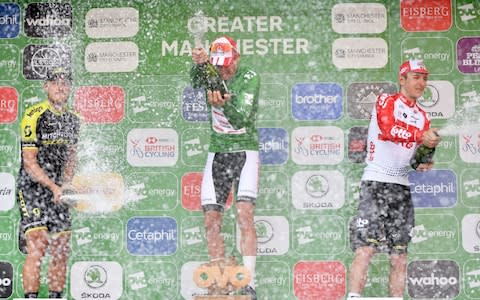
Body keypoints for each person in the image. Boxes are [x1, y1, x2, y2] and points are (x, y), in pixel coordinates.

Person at [347, 60, 441, 298]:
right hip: (376, 184)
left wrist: (425, 157)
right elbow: (389, 130)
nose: (421, 82)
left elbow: (416, 161)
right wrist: (421, 136)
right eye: (415, 77)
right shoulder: (385, 101)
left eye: (424, 78)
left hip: (402, 188)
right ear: (402, 79)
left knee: (400, 255)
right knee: (366, 249)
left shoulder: (423, 116)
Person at [190, 36, 260, 299]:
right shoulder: (212, 71)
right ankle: (219, 280)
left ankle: (248, 283)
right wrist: (198, 64)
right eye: (219, 67)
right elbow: (196, 79)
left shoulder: (250, 76)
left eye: (228, 65)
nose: (224, 71)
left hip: (245, 150)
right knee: (211, 220)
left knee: (244, 214)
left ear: (237, 57)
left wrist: (224, 104)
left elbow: (240, 116)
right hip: (217, 151)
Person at [17, 67, 80, 298]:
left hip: (58, 189)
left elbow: (72, 157)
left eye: (65, 82)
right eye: (55, 82)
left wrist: (66, 184)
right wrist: (53, 187)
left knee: (61, 248)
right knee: (38, 244)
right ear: (46, 87)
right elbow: (29, 162)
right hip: (33, 187)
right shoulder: (34, 114)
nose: (60, 87)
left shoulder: (74, 119)